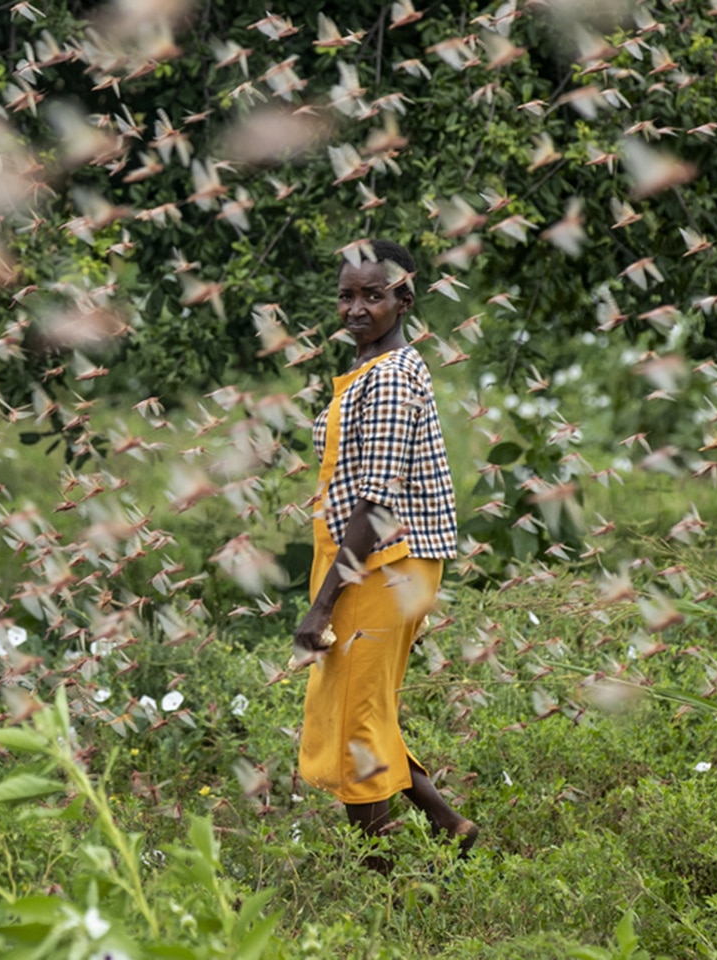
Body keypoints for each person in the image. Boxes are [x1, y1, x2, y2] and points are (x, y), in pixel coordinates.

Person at [294, 238, 475, 870]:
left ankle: (387, 892)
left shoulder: (393, 379)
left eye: (373, 295)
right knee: (363, 707)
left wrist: (321, 608)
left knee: (354, 726)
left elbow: (377, 503)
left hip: (384, 566)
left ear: (404, 298)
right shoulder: (371, 373)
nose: (356, 308)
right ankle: (449, 825)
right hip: (367, 563)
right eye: (347, 295)